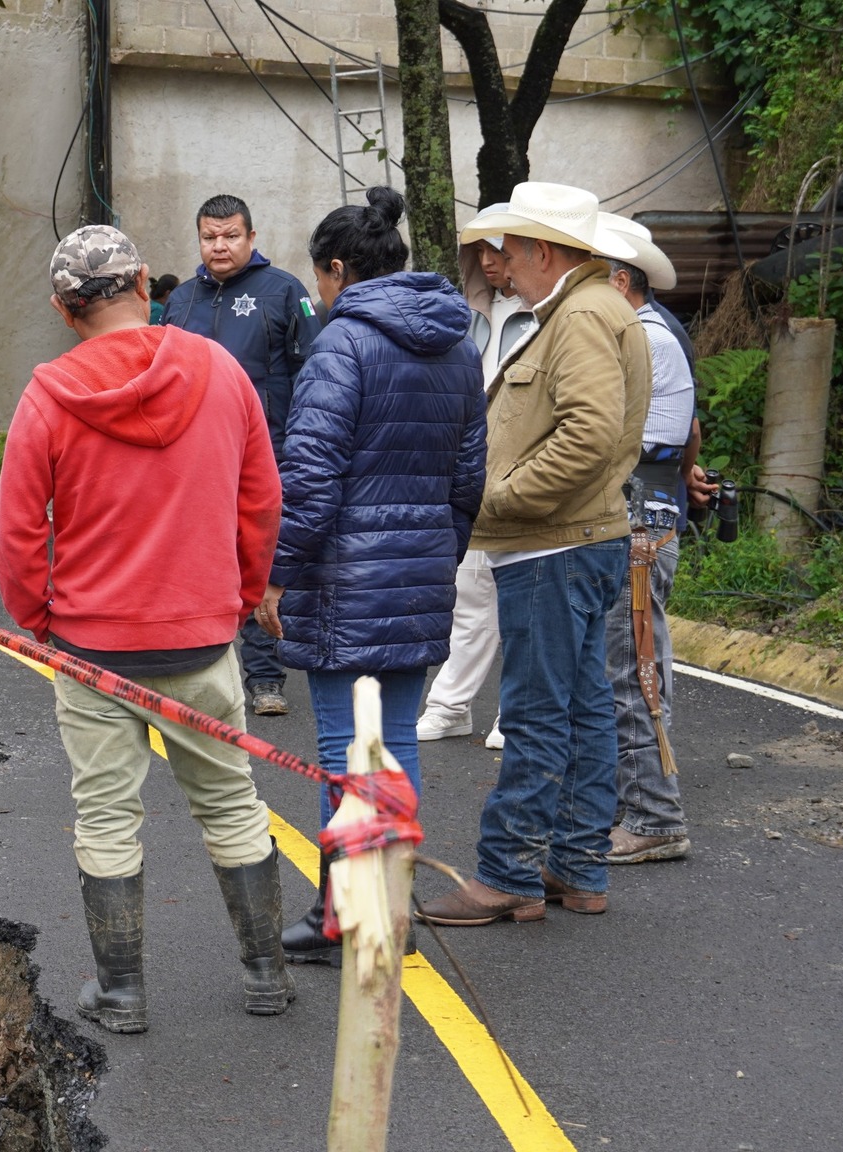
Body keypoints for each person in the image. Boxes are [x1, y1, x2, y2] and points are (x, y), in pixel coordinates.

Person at [0, 224, 290, 1033]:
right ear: (149, 283)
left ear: (63, 309)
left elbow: (17, 532)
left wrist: (39, 622)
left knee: (105, 814)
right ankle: (265, 974)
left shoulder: (49, 393)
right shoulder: (221, 370)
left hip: (94, 649)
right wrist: (242, 593)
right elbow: (261, 498)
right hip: (200, 635)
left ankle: (122, 993)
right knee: (232, 801)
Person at [254, 187, 485, 965]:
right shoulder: (459, 345)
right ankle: (386, 907)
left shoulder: (341, 347)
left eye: (319, 279)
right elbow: (468, 477)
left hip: (344, 580)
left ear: (338, 271)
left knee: (344, 749)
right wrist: (436, 558)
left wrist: (277, 576)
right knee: (396, 747)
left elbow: (311, 481)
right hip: (419, 570)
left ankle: (348, 918)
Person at [417, 182, 651, 928]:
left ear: (544, 251)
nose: (497, 265)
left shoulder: (578, 315)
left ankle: (507, 873)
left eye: (507, 250)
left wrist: (501, 497)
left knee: (536, 714)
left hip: (551, 546)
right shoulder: (596, 308)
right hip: (577, 541)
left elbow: (586, 435)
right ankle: (577, 869)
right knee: (581, 711)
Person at [161, 194, 326, 717]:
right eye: (210, 237)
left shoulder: (285, 293)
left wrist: (300, 448)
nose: (220, 246)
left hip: (265, 456)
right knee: (199, 564)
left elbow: (314, 376)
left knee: (258, 562)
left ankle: (265, 677)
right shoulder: (181, 301)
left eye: (231, 235)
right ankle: (199, 672)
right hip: (195, 461)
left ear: (251, 238)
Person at [595, 216, 696, 865]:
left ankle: (657, 817)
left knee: (633, 671)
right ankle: (629, 802)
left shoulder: (643, 337)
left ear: (620, 280)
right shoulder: (658, 330)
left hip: (638, 518)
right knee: (631, 666)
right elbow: (690, 431)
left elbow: (609, 434)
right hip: (649, 511)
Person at [418, 219, 537, 750]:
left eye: (498, 250)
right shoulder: (470, 315)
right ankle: (450, 706)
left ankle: (515, 713)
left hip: (527, 468)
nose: (488, 261)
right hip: (472, 463)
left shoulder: (548, 316)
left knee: (523, 598)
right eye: (478, 251)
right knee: (468, 591)